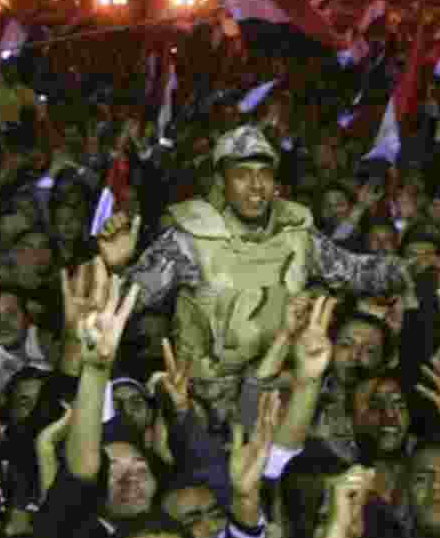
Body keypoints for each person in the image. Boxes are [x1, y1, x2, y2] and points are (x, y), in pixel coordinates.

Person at [95, 125, 411, 426]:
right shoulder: (189, 239)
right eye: (242, 175)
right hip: (205, 406)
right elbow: (124, 306)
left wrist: (411, 270)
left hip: (279, 397)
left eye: (265, 174)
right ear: (222, 182)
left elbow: (353, 271)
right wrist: (117, 268)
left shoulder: (297, 235)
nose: (256, 186)